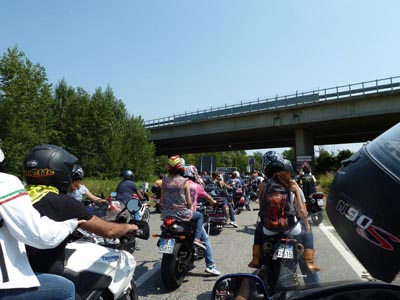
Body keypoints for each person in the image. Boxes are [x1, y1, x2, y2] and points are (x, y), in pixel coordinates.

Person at [23, 145, 138, 282]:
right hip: (46, 277)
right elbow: (109, 231)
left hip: (18, 273)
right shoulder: (63, 202)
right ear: (60, 172)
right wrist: (130, 227)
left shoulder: (18, 198)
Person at [0, 144, 80, 300]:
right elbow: (40, 236)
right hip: (3, 284)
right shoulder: (5, 183)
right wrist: (71, 224)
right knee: (66, 289)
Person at [247, 151, 320, 276]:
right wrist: (307, 226)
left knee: (259, 226)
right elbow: (302, 211)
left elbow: (262, 210)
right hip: (292, 229)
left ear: (265, 167)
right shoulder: (292, 183)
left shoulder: (263, 185)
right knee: (308, 231)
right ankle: (309, 262)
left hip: (269, 230)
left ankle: (256, 259)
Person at [160, 155, 206, 249]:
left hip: (167, 214)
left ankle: (164, 244)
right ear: (181, 168)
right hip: (182, 214)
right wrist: (189, 208)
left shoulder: (164, 181)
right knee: (200, 216)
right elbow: (189, 202)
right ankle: (197, 239)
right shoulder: (185, 181)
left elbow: (162, 200)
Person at [184, 165, 221, 276]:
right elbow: (207, 197)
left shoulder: (178, 184)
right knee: (205, 240)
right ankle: (211, 266)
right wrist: (214, 202)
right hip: (190, 216)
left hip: (175, 215)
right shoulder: (196, 186)